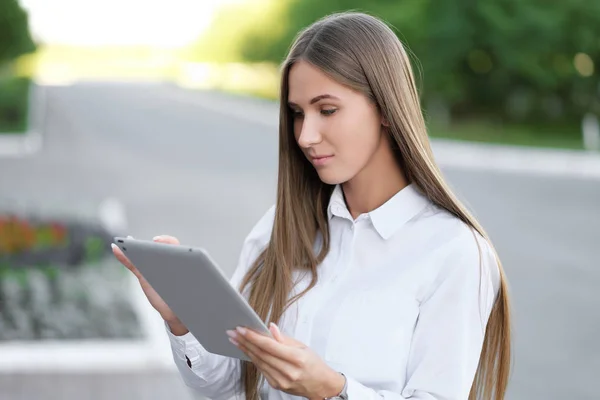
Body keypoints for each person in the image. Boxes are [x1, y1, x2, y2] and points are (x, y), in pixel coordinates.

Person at [112, 11, 511, 400]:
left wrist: (331, 390)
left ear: (387, 109)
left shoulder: (454, 251)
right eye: (297, 113)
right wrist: (182, 320)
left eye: (327, 110)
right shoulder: (279, 228)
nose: (305, 135)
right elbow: (226, 382)